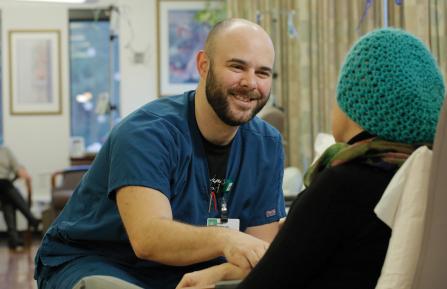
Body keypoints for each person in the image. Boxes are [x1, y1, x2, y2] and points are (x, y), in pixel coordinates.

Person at [175, 28, 446, 289]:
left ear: (356, 106)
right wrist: (224, 270)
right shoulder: (429, 180)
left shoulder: (342, 185)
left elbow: (269, 281)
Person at [34, 18, 286, 289]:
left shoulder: (266, 144)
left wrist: (217, 275)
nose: (250, 83)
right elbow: (149, 239)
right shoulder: (146, 133)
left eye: (262, 73)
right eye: (237, 66)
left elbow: (259, 252)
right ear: (204, 65)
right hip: (101, 263)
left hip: (188, 271)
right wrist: (227, 240)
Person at [0, 145, 39, 250]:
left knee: (7, 200)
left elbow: (16, 166)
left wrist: (23, 173)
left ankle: (14, 239)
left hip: (5, 187)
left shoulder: (5, 151)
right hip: (5, 185)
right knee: (6, 187)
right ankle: (31, 218)